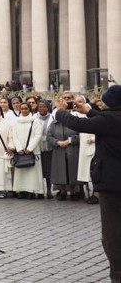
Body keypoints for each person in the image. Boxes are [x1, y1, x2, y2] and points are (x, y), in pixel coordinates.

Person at [54, 85, 121, 282]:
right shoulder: (111, 119)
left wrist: (60, 111)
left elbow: (78, 124)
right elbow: (105, 121)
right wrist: (89, 111)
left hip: (111, 184)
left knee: (112, 234)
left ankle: (117, 275)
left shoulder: (109, 120)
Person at [47, 101, 81, 201]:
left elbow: (80, 135)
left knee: (72, 171)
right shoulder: (54, 124)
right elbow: (49, 137)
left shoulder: (74, 122)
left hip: (72, 150)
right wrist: (57, 142)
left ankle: (73, 192)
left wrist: (70, 140)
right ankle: (62, 192)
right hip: (59, 151)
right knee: (60, 171)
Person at [10, 103, 44, 199]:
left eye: (26, 108)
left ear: (29, 109)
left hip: (32, 151)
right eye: (22, 109)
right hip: (20, 151)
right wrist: (19, 148)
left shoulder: (35, 121)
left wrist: (30, 148)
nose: (24, 110)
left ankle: (32, 191)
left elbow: (38, 135)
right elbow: (14, 135)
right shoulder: (16, 121)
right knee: (21, 172)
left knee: (32, 173)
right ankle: (22, 190)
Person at [35, 100, 54, 199]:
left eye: (44, 107)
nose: (42, 109)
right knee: (38, 170)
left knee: (48, 171)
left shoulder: (52, 117)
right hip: (37, 147)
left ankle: (49, 190)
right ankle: (39, 190)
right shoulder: (34, 117)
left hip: (49, 147)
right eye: (40, 107)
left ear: (48, 108)